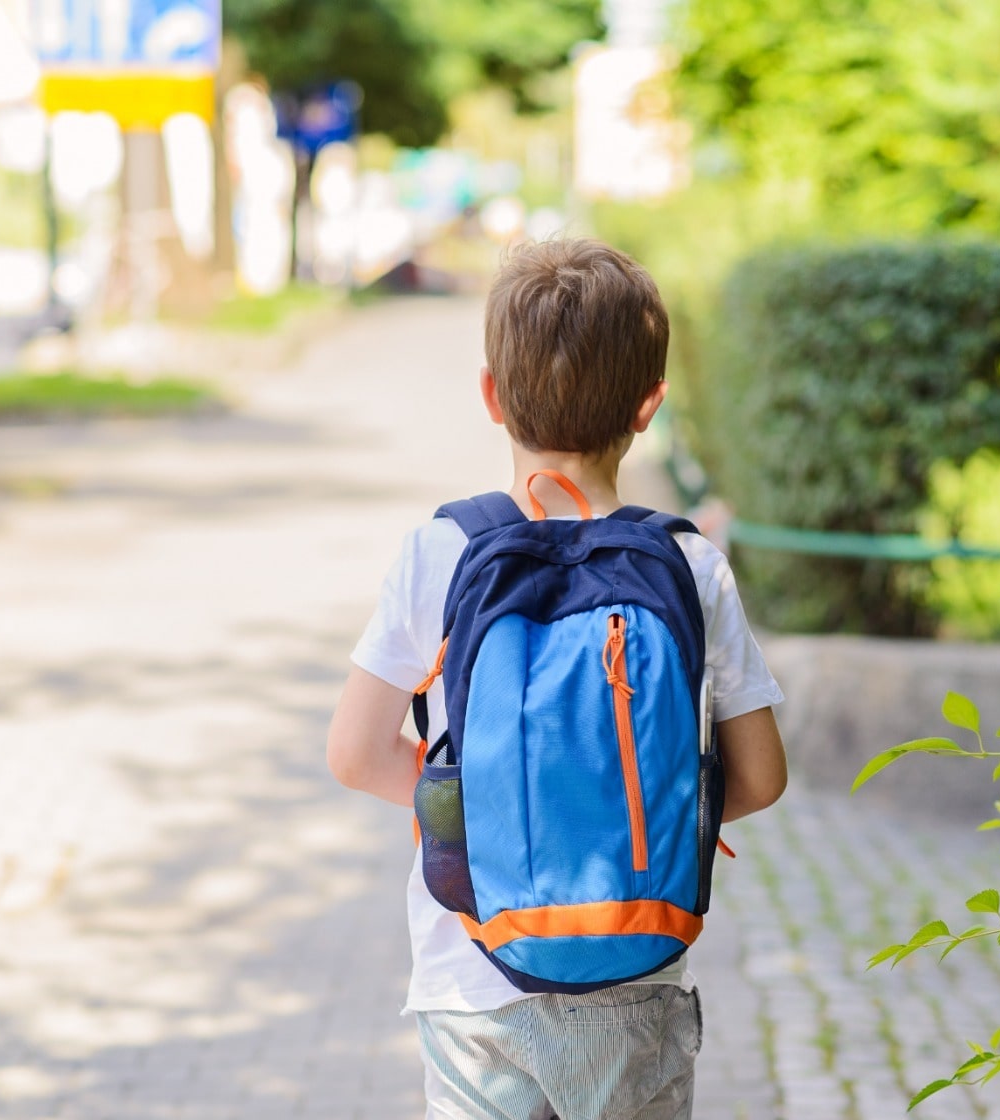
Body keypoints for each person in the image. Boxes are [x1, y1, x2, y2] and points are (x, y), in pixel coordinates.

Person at [327, 237, 788, 1120]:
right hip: (631, 966)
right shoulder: (690, 565)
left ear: (492, 397)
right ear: (650, 405)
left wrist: (496, 811)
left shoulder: (441, 551)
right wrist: (624, 802)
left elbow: (354, 754)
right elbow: (760, 777)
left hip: (470, 976)